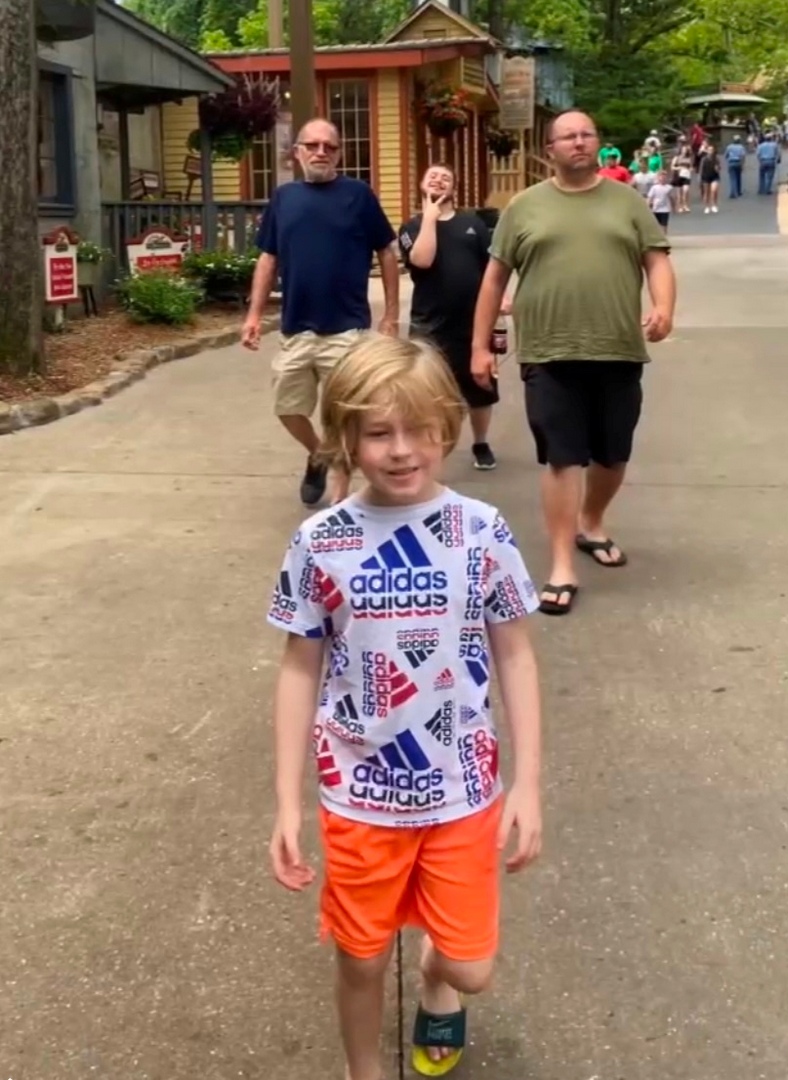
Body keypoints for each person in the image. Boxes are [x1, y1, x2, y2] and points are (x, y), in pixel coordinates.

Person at [267, 334, 542, 1080]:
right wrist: (287, 802)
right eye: (377, 432)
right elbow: (299, 667)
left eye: (418, 429)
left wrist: (528, 783)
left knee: (471, 968)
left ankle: (435, 977)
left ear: (448, 426)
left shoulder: (480, 531)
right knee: (359, 959)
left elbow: (516, 655)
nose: (400, 450)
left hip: (462, 791)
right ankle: (363, 1069)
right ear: (344, 436)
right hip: (359, 795)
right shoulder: (321, 542)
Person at [470, 109, 676, 616]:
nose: (579, 142)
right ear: (551, 149)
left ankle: (592, 521)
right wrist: (479, 347)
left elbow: (656, 259)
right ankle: (562, 564)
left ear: (597, 143)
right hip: (549, 351)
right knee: (562, 457)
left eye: (587, 134)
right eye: (568, 136)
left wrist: (664, 307)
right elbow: (494, 280)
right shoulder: (525, 207)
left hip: (617, 347)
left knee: (612, 454)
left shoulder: (627, 201)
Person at [242, 117, 400, 508]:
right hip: (297, 328)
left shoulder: (358, 195)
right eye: (312, 145)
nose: (321, 152)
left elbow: (386, 251)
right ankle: (319, 454)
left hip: (346, 330)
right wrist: (253, 315)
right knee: (287, 407)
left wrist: (391, 314)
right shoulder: (284, 198)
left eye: (329, 146)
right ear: (297, 153)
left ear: (339, 153)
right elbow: (268, 257)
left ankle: (339, 503)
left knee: (344, 415)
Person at [398, 163, 499, 471]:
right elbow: (422, 260)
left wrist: (500, 300)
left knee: (480, 388)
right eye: (433, 176)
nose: (439, 181)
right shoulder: (411, 227)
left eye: (446, 178)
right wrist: (430, 218)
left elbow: (490, 268)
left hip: (472, 322)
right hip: (429, 324)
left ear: (454, 188)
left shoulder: (473, 225)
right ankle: (429, 444)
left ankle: (480, 442)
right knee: (426, 389)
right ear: (421, 184)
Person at [670, 139, 694, 213]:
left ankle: (685, 205)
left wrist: (690, 169)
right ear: (681, 150)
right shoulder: (677, 158)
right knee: (679, 192)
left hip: (687, 176)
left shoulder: (688, 158)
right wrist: (679, 168)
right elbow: (672, 167)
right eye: (683, 150)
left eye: (686, 150)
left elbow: (691, 167)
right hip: (679, 176)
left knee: (685, 191)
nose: (684, 151)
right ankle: (680, 206)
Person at [699, 141, 720, 213]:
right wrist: (700, 177)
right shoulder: (704, 159)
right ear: (707, 151)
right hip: (706, 176)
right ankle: (707, 206)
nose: (710, 151)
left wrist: (717, 168)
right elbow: (701, 168)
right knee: (706, 192)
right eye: (709, 150)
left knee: (714, 190)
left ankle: (714, 205)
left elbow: (719, 167)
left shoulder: (716, 158)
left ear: (713, 151)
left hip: (714, 176)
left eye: (712, 150)